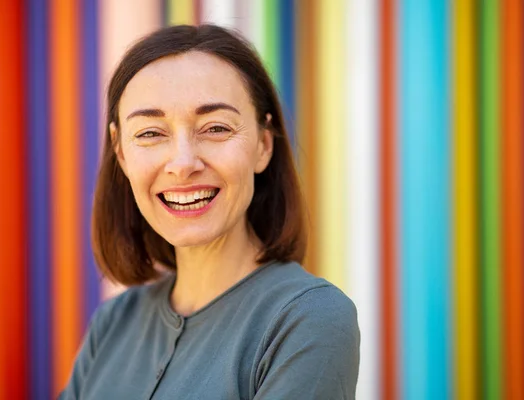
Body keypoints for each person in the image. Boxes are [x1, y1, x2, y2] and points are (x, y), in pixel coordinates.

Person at [60, 24, 360, 400]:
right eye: (151, 133)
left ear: (263, 146)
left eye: (215, 128)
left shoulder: (308, 318)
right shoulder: (113, 322)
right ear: (121, 153)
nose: (183, 163)